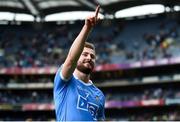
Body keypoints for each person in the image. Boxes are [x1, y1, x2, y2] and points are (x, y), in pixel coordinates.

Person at [53, 5, 105, 121]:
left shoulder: (99, 95)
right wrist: (87, 28)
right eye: (84, 54)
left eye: (92, 56)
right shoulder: (65, 81)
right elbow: (71, 60)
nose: (89, 58)